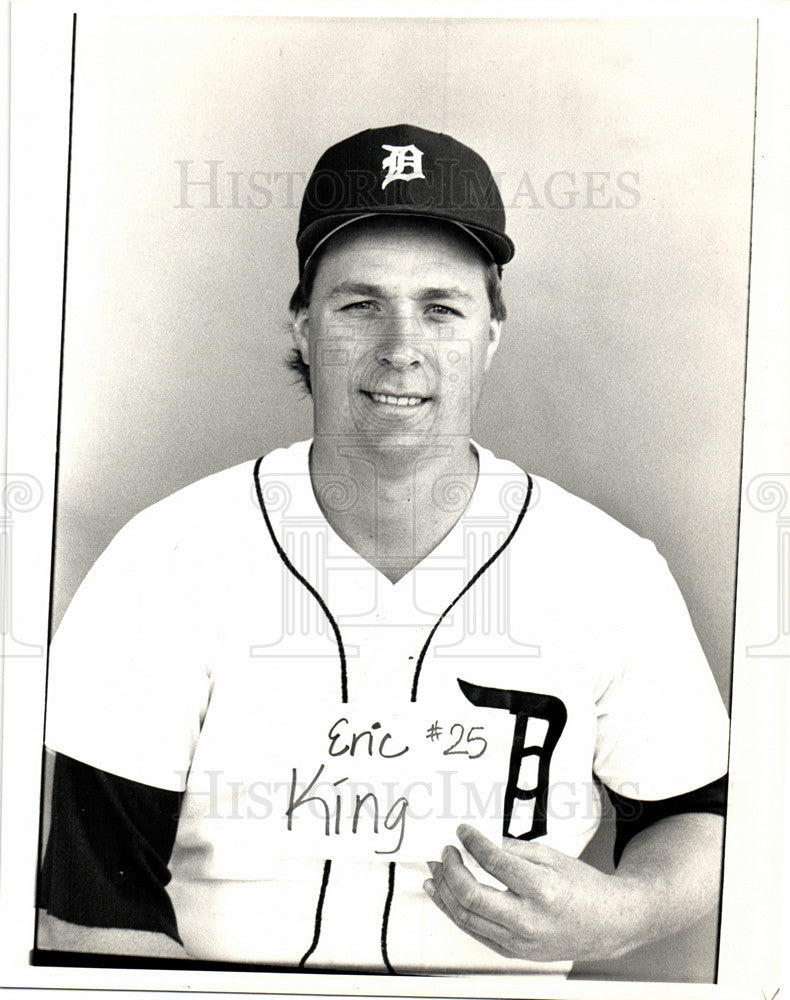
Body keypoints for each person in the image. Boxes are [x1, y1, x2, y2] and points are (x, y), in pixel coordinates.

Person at [37, 124, 729, 977]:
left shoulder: (607, 569)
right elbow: (87, 907)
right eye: (359, 304)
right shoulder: (166, 556)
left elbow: (697, 808)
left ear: (493, 333)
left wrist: (629, 911)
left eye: (442, 308)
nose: (401, 347)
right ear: (301, 325)